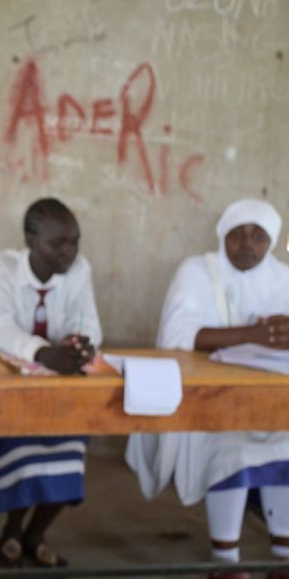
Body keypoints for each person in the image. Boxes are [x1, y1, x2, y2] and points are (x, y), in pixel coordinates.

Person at [127, 198, 289, 577]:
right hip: (208, 404)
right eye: (237, 234)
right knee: (230, 450)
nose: (247, 244)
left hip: (270, 402)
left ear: (273, 241)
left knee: (285, 444)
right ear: (222, 236)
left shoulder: (283, 278)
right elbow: (177, 335)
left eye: (258, 236)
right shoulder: (198, 271)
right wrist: (254, 334)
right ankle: (225, 559)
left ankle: (283, 552)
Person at [0, 198, 103, 568]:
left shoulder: (79, 269)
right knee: (22, 445)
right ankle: (14, 530)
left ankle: (35, 533)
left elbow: (88, 321)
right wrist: (42, 353)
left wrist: (80, 343)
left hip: (61, 378)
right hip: (15, 377)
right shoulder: (4, 268)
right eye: (58, 243)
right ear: (31, 239)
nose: (69, 251)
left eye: (74, 241)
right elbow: (0, 329)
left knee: (69, 448)